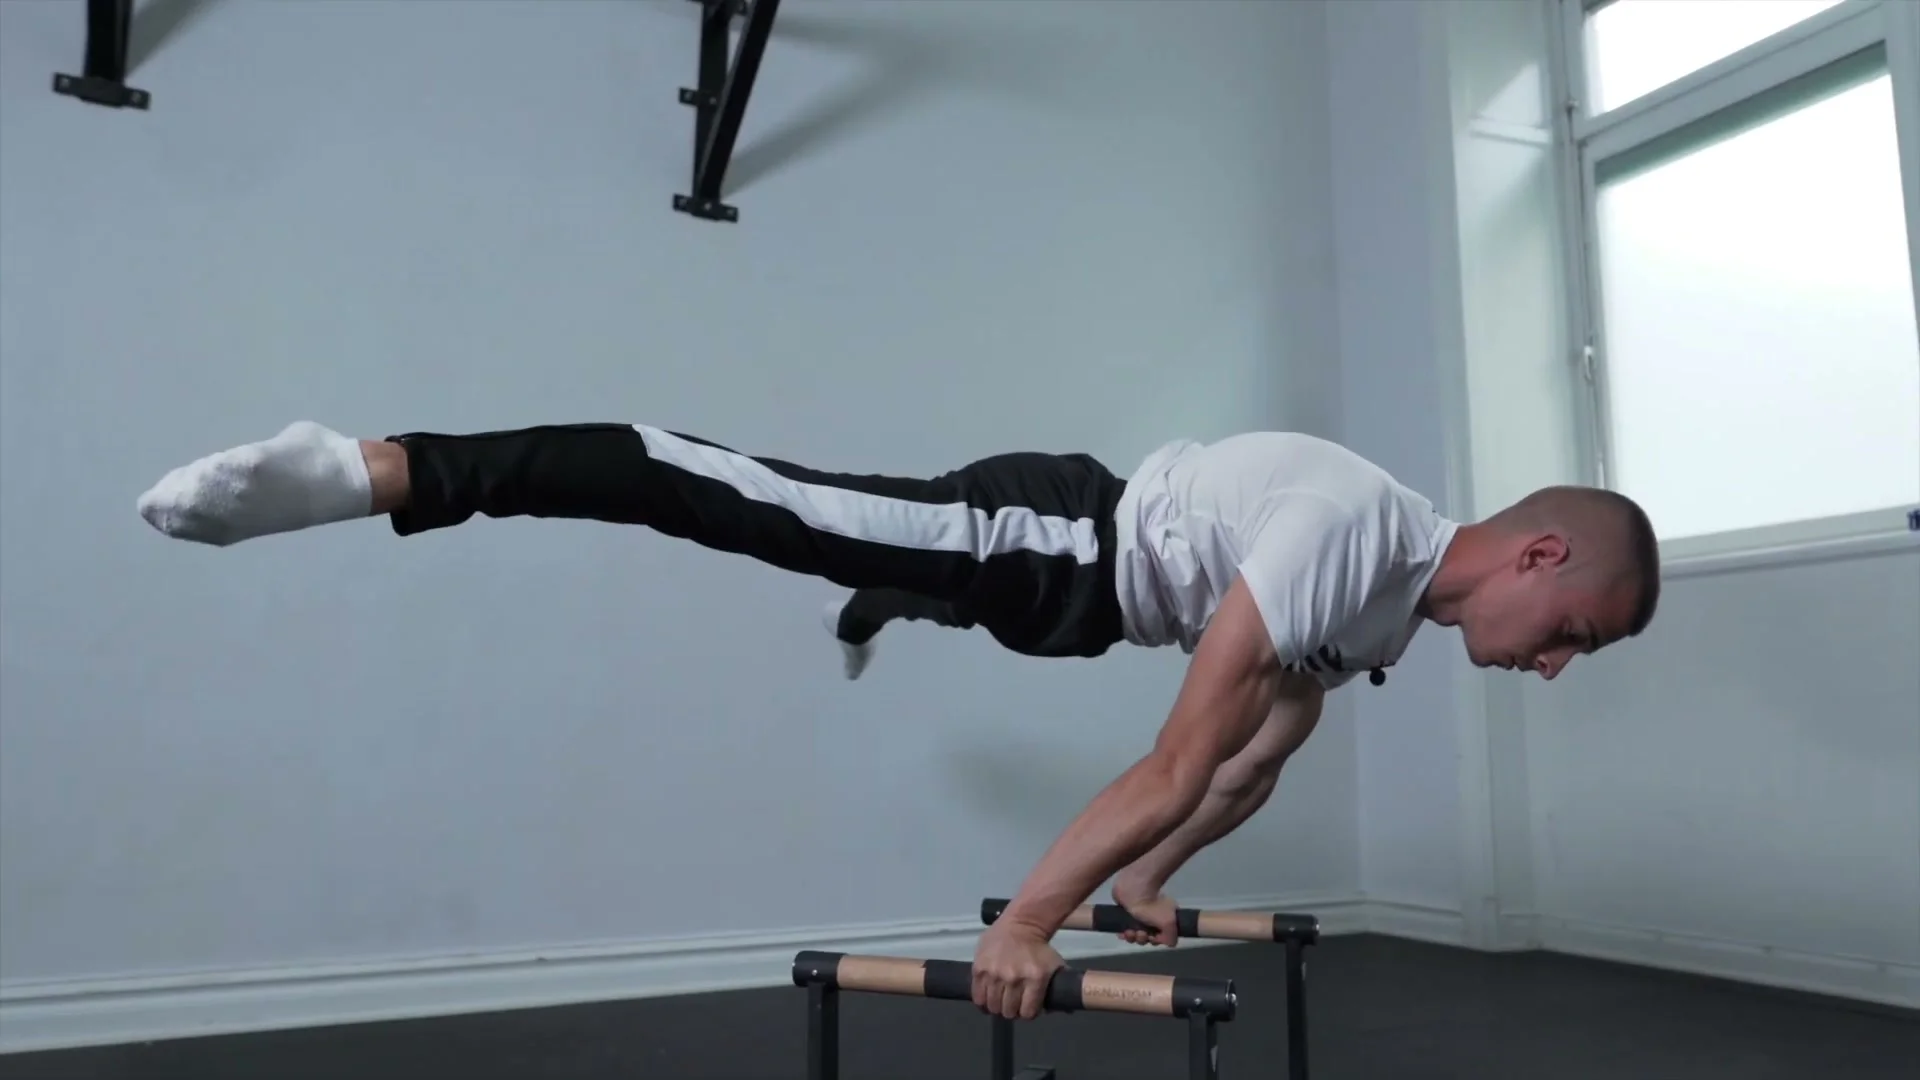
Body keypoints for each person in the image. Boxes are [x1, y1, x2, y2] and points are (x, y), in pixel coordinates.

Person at [135, 418, 1660, 1021]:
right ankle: (377, 470)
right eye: (1573, 635)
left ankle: (876, 600)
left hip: (1072, 601)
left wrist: (1144, 886)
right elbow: (1186, 752)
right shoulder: (1350, 529)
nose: (1556, 667)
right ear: (1536, 557)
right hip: (1047, 536)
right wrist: (1035, 918)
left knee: (912, 584)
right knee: (730, 493)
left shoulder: (1389, 605)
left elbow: (1261, 753)